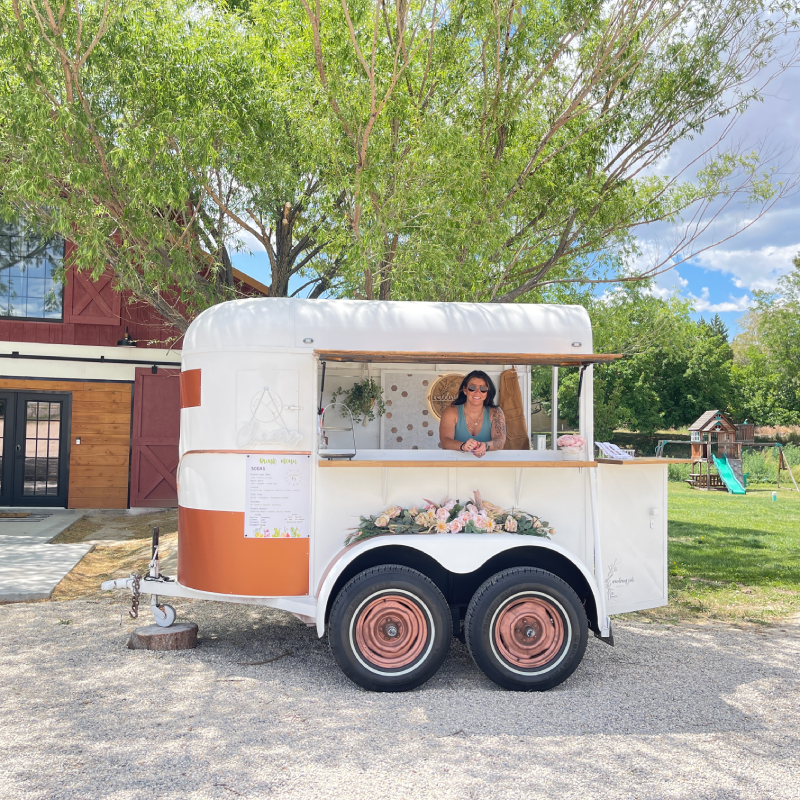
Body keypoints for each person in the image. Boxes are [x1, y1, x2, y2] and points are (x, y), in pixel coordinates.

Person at [439, 371, 506, 458]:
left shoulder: (496, 412)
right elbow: (445, 441)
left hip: (488, 466)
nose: (477, 392)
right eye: (472, 387)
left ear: (487, 393)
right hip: (456, 466)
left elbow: (500, 441)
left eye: (483, 389)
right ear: (465, 390)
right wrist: (463, 446)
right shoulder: (450, 412)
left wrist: (486, 446)